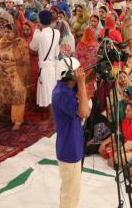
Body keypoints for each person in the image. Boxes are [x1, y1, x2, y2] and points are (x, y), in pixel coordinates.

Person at [52, 58, 91, 208]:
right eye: (77, 71)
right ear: (68, 74)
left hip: (71, 144)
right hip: (70, 148)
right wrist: (81, 83)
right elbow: (85, 112)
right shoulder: (62, 94)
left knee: (70, 189)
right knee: (70, 194)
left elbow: (84, 83)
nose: (80, 73)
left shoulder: (65, 87)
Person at [0, 24, 30, 131]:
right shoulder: (2, 42)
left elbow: (24, 60)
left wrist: (11, 64)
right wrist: (1, 62)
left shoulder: (21, 43)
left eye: (9, 32)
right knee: (9, 96)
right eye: (5, 32)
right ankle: (11, 117)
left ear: (15, 32)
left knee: (18, 95)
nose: (6, 34)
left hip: (17, 73)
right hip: (5, 74)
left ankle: (18, 121)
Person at [30, 10, 60, 108]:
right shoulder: (56, 32)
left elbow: (32, 47)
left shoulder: (39, 35)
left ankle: (53, 119)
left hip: (45, 69)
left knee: (48, 96)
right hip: (54, 67)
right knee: (53, 93)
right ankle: (54, 119)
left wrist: (37, 31)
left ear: (39, 21)